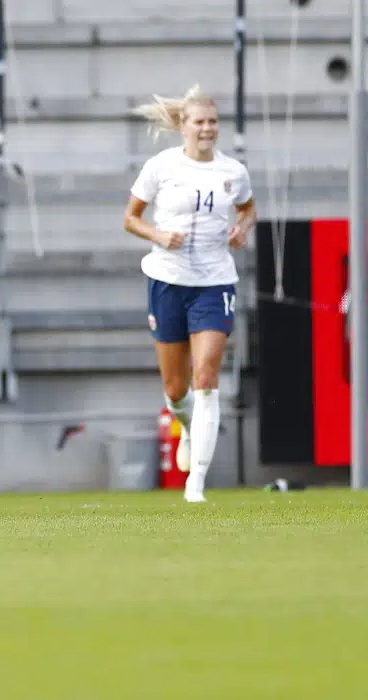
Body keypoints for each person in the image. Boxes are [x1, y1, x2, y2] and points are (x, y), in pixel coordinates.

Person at [123, 85, 255, 504]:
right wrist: (160, 235)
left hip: (214, 283)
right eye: (199, 122)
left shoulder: (232, 172)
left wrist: (242, 228)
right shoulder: (162, 167)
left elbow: (249, 208)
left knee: (206, 377)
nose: (207, 129)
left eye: (213, 122)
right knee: (176, 387)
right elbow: (130, 219)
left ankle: (195, 483)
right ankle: (185, 427)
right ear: (183, 126)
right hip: (166, 281)